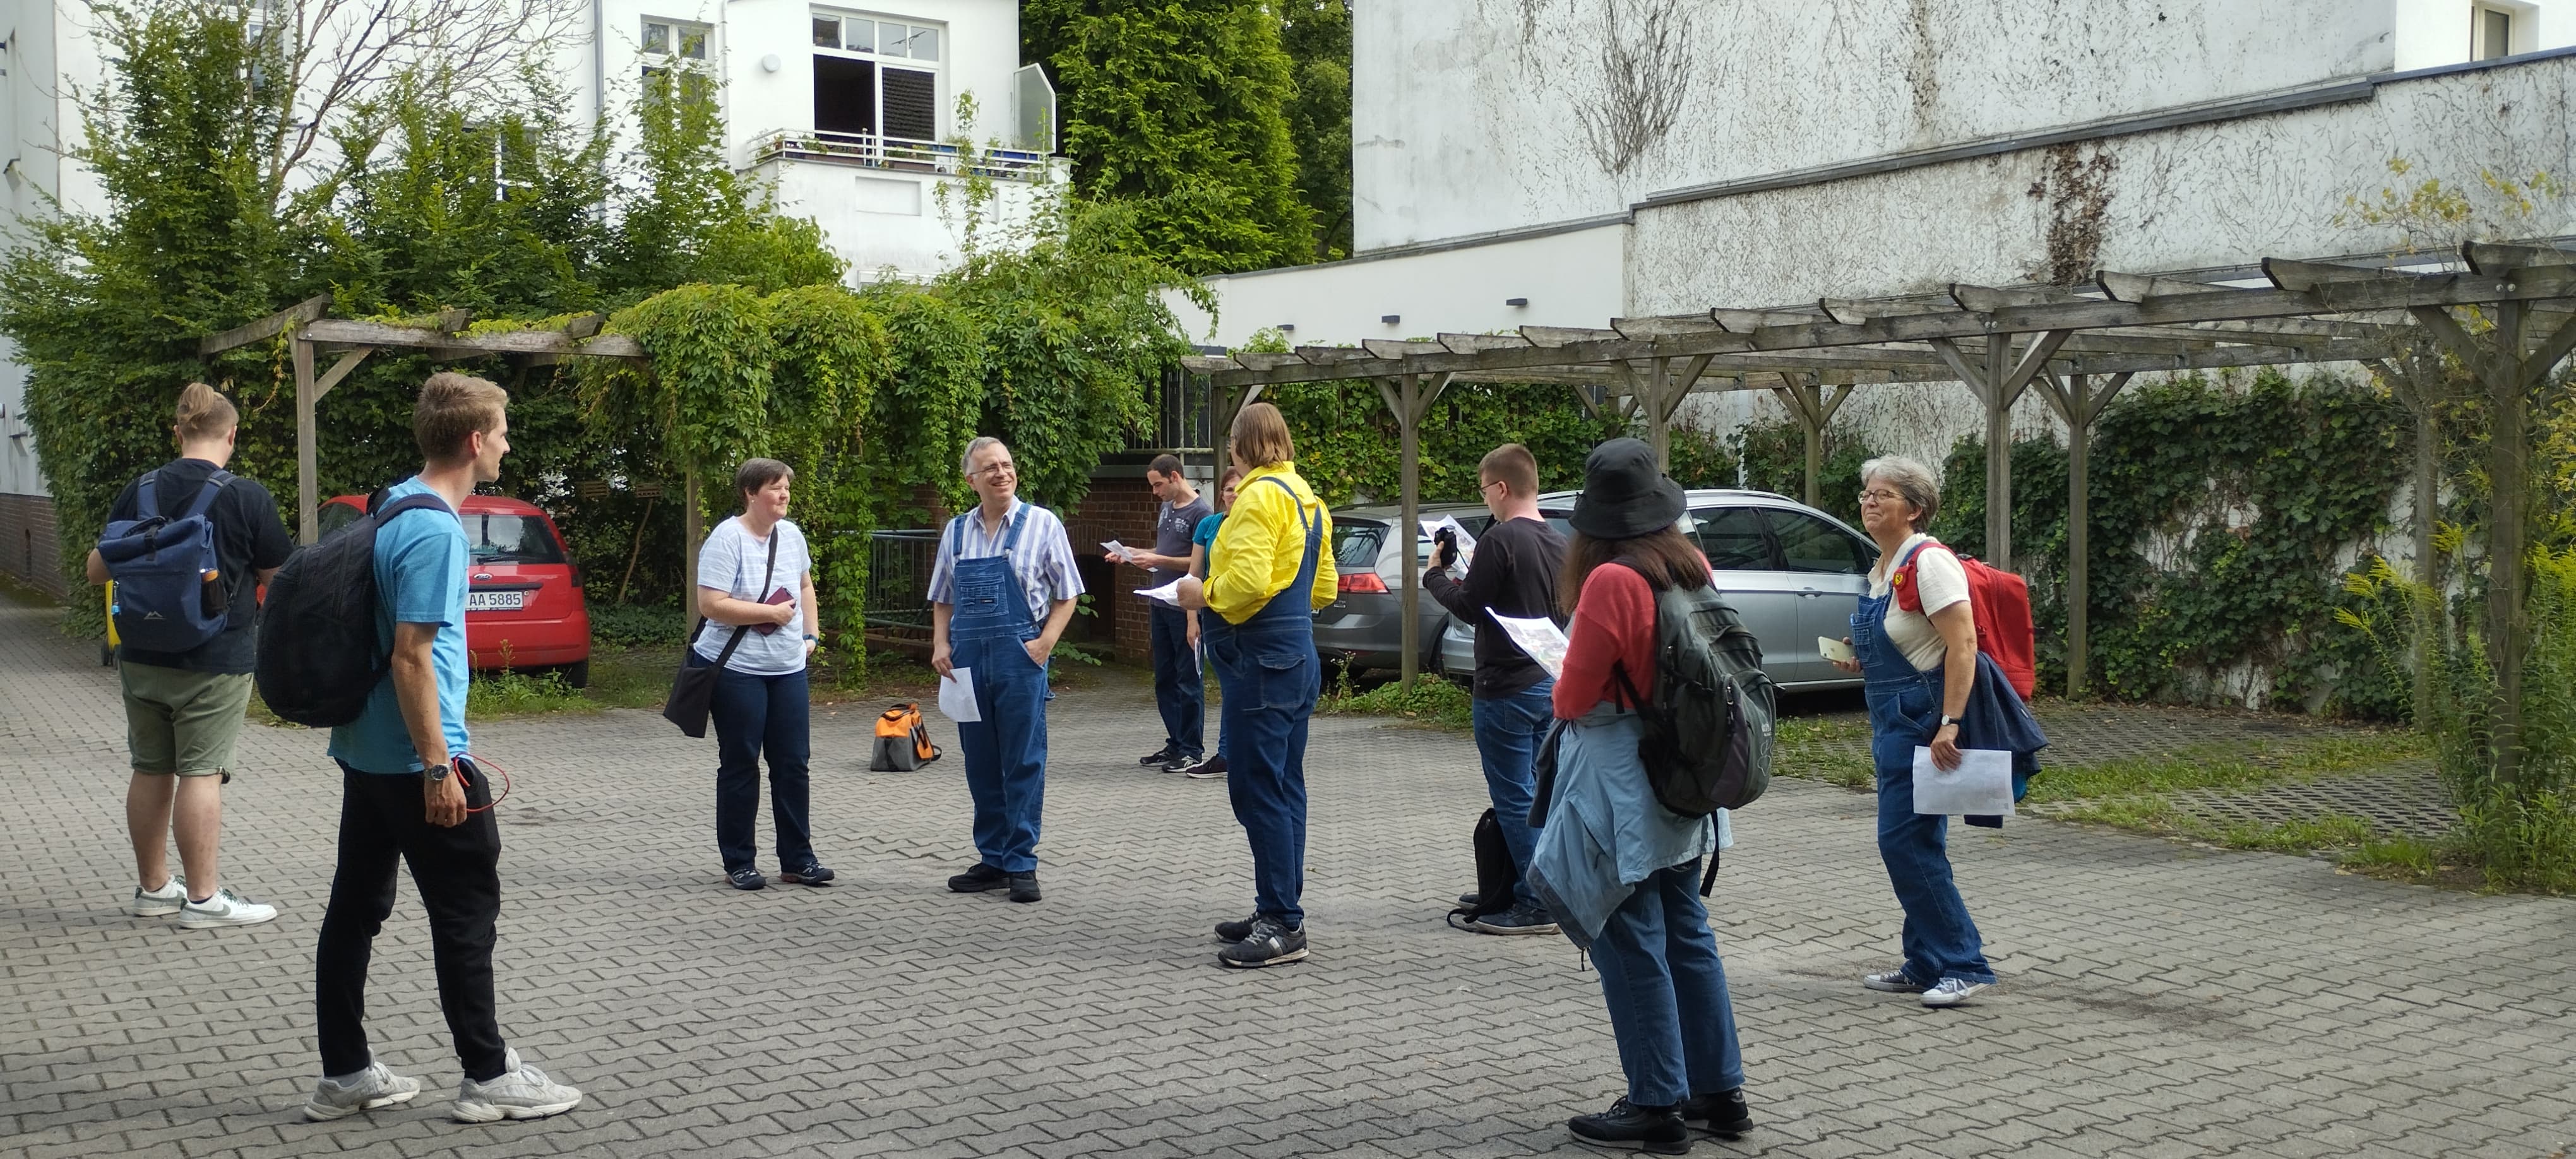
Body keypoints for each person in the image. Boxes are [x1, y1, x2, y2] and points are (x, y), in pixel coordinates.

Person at [307, 372, 582, 1124]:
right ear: (472, 441)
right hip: (413, 760)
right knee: (466, 912)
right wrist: (438, 765)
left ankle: (346, 1073)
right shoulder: (434, 532)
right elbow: (411, 656)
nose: (506, 442)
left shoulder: (396, 500)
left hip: (363, 749)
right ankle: (489, 1075)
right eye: (500, 431)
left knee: (355, 910)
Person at [1529, 437, 1751, 1154]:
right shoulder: (1688, 566)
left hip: (1622, 782)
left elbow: (1572, 697)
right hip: (1686, 779)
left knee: (1628, 937)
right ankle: (1720, 1096)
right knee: (1688, 933)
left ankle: (1655, 1103)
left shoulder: (1610, 582)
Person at [85, 383, 293, 929]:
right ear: (232, 434)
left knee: (150, 768)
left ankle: (153, 889)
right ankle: (204, 900)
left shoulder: (142, 489)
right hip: (215, 659)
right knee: (201, 772)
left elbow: (97, 569)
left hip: (141, 655)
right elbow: (280, 577)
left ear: (178, 433)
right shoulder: (247, 496)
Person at [1827, 455, 2013, 1008]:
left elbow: (1964, 645)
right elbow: (1906, 639)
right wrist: (1859, 657)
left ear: (1915, 508)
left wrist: (1951, 722)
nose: (1869, 501)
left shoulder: (1929, 564)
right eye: (1866, 492)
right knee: (1918, 842)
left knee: (1903, 843)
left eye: (1883, 494)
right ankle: (1926, 960)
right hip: (1893, 723)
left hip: (1922, 723)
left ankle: (1963, 961)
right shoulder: (1882, 569)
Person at [1175, 404, 1335, 968]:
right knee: (1285, 785)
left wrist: (1199, 593)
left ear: (1241, 445)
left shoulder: (1258, 496)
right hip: (1296, 656)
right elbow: (1324, 587)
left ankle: (1283, 925)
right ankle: (1277, 903)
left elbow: (1244, 582)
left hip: (1260, 662)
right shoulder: (1307, 498)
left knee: (1256, 787)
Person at [929, 436, 1083, 904]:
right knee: (980, 763)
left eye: (1007, 465)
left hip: (1021, 658)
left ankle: (1021, 862)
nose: (1002, 473)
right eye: (990, 468)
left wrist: (1045, 643)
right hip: (969, 660)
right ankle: (993, 858)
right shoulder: (956, 531)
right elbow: (943, 595)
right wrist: (941, 643)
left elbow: (1068, 592)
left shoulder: (1042, 524)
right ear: (971, 479)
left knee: (1023, 761)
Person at [1424, 443, 1567, 936]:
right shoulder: (1560, 541)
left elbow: (1468, 607)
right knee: (1538, 794)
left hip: (1504, 686)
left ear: (1502, 488)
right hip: (1548, 684)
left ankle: (1536, 902)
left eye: (1485, 490)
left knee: (1513, 797)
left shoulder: (1501, 541)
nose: (1485, 498)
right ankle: (1525, 885)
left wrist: (1434, 574)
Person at [691, 458, 828, 892]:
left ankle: (798, 860)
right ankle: (740, 861)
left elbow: (804, 586)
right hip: (738, 672)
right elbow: (711, 604)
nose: (784, 494)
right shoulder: (727, 538)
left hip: (787, 670)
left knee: (793, 765)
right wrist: (768, 613)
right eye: (774, 487)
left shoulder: (791, 536)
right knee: (740, 765)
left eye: (787, 487)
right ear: (751, 494)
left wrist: (811, 634)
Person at [1107, 453, 1212, 775]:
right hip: (1159, 602)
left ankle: (1193, 748)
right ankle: (1175, 742)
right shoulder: (1167, 507)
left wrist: (1158, 559)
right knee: (1164, 678)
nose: (1155, 493)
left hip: (1183, 605)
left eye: (1158, 485)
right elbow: (1164, 552)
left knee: (1187, 678)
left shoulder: (1202, 513)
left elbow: (1197, 563)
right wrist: (1136, 555)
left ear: (1176, 477)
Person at [1179, 467, 1243, 781]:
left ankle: (1230, 754)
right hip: (1212, 610)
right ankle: (1228, 753)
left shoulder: (1252, 525)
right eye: (1230, 489)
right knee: (1229, 687)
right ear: (1221, 494)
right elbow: (1194, 575)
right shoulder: (1209, 525)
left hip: (1242, 614)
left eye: (1241, 489)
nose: (1235, 495)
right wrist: (1193, 619)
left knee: (1238, 688)